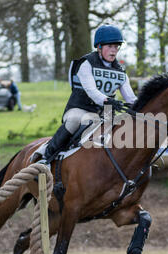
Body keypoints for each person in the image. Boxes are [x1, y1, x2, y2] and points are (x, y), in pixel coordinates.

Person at [37, 24, 137, 165]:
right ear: (99, 47)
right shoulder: (86, 64)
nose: (114, 51)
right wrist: (108, 100)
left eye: (116, 46)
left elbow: (130, 97)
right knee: (74, 121)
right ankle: (46, 157)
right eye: (110, 46)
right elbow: (91, 91)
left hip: (105, 113)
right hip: (80, 108)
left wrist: (142, 107)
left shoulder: (120, 70)